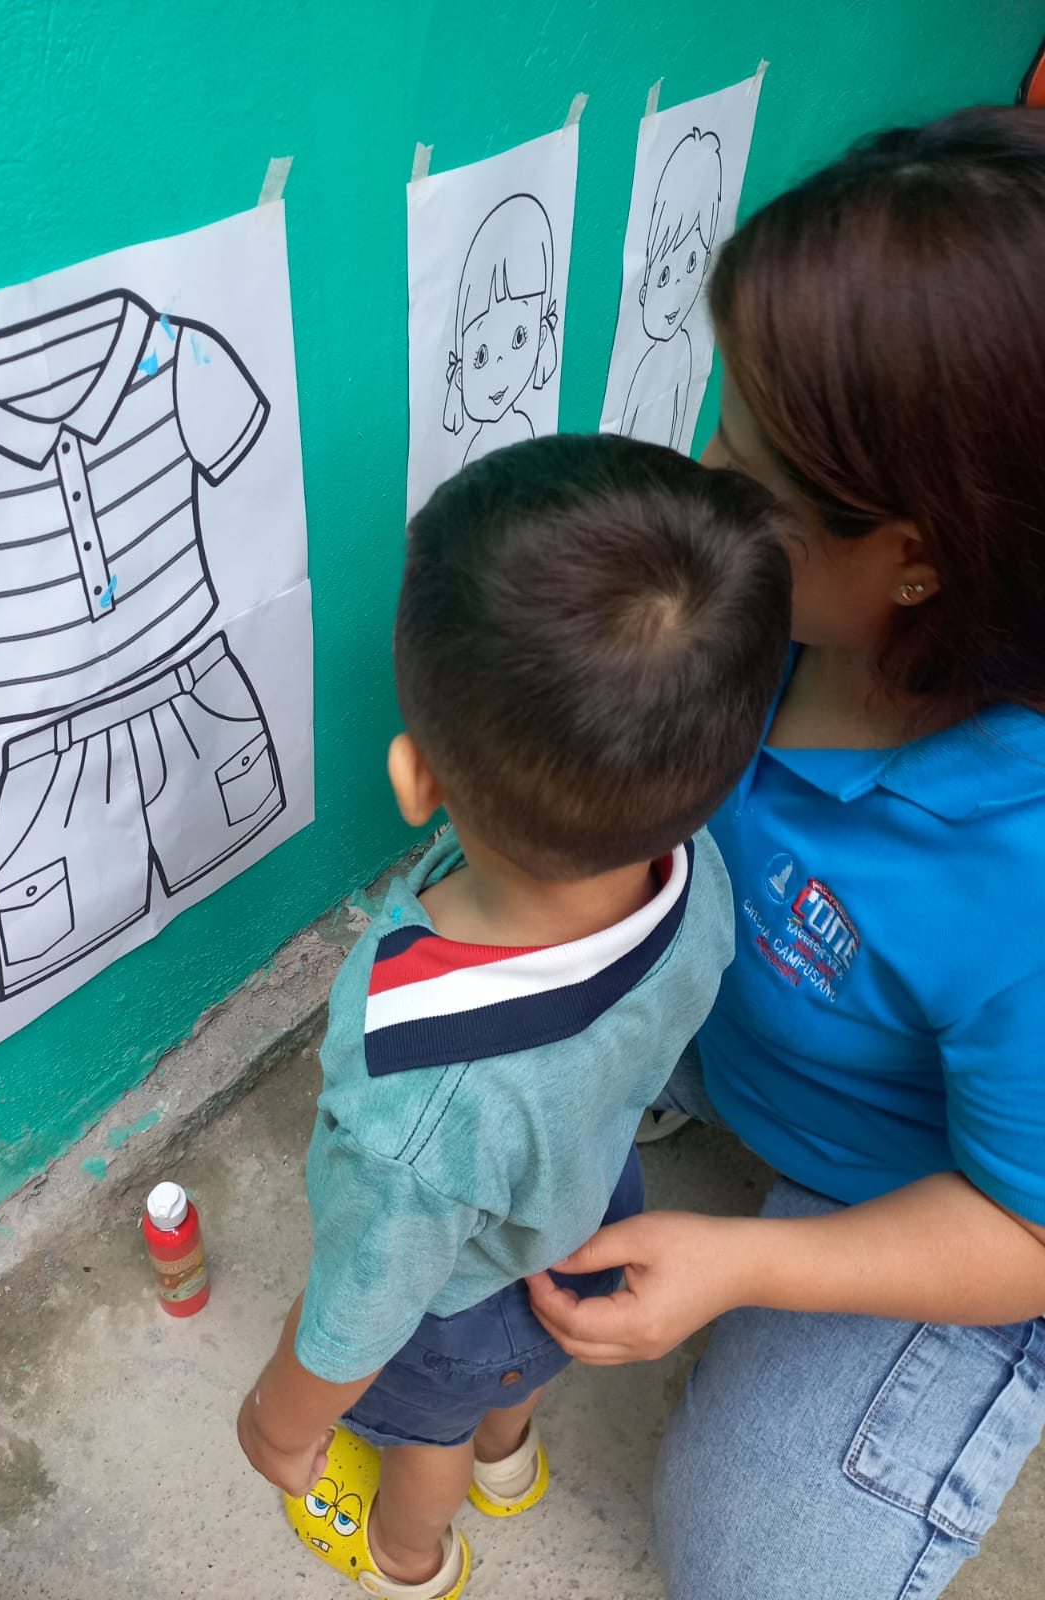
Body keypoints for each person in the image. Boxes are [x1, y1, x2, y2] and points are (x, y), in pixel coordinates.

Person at [529, 105, 1045, 1600]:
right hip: (740, 1025)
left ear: (919, 557)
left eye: (749, 472)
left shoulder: (1017, 876)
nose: (700, 479)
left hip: (941, 1193)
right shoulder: (786, 608)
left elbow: (1026, 1226)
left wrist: (746, 1263)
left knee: (759, 1572)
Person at [237, 432, 791, 1599]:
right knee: (513, 1375)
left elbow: (362, 1307)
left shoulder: (419, 1099)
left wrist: (281, 1421)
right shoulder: (694, 876)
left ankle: (409, 1555)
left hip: (452, 1305)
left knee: (426, 1429)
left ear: (416, 780)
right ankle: (512, 1461)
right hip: (590, 1212)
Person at [620, 127, 721, 450]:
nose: (677, 287)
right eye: (663, 275)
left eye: (692, 262)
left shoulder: (686, 351)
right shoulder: (643, 368)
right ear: (644, 288)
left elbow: (679, 420)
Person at [442, 194, 559, 465]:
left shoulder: (526, 428)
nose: (500, 365)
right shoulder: (476, 454)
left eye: (519, 337)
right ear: (460, 376)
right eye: (481, 356)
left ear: (541, 334)